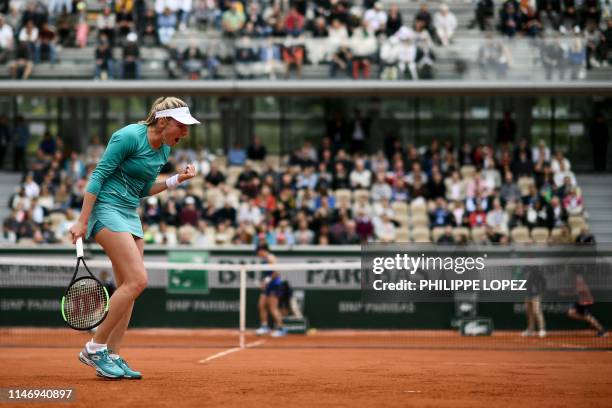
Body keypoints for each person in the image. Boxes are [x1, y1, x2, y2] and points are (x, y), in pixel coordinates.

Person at [69, 97, 200, 379]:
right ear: (163, 121)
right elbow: (99, 175)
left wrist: (177, 180)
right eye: (182, 126)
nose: (185, 133)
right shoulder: (128, 136)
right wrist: (82, 220)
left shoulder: (164, 150)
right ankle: (94, 348)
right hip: (106, 209)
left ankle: (111, 355)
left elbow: (142, 189)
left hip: (129, 213)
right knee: (138, 280)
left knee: (129, 288)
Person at [254, 244, 287, 337]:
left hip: (275, 285)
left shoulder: (270, 257)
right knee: (261, 305)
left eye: (258, 252)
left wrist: (267, 280)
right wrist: (264, 282)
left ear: (262, 250)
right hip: (268, 286)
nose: (258, 254)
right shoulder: (264, 259)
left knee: (273, 308)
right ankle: (264, 327)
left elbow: (277, 271)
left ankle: (282, 328)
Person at [567, 271, 607, 337]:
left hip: (587, 302)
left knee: (588, 317)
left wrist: (565, 294)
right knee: (570, 313)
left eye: (578, 277)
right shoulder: (576, 283)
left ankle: (602, 331)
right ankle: (588, 320)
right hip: (580, 302)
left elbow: (576, 292)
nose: (575, 278)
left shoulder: (581, 284)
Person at [521, 265, 547, 338]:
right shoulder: (525, 270)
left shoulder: (536, 271)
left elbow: (543, 282)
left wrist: (542, 291)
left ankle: (542, 329)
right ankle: (530, 330)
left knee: (537, 311)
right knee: (529, 313)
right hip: (528, 295)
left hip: (536, 295)